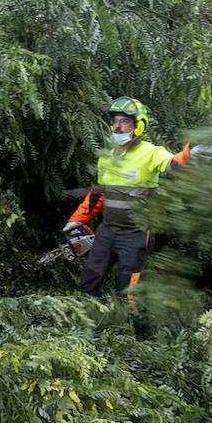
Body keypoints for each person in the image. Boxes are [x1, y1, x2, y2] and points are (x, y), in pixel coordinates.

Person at [67, 96, 188, 297]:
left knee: (128, 288)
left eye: (124, 121)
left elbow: (173, 164)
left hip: (136, 234)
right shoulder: (107, 157)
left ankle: (128, 316)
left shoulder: (151, 153)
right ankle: (85, 311)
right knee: (89, 279)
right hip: (107, 230)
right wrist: (76, 221)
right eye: (115, 121)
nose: (117, 126)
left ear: (138, 126)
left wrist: (189, 156)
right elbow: (98, 195)